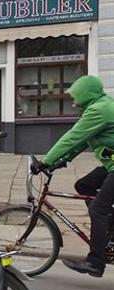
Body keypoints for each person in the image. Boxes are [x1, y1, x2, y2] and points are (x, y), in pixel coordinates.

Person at [33, 75, 114, 278]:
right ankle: (108, 233)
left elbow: (73, 137)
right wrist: (63, 160)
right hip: (111, 163)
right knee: (84, 186)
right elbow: (83, 141)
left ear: (86, 93)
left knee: (98, 210)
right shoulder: (98, 107)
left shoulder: (99, 110)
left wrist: (46, 161)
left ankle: (96, 261)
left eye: (75, 95)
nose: (72, 99)